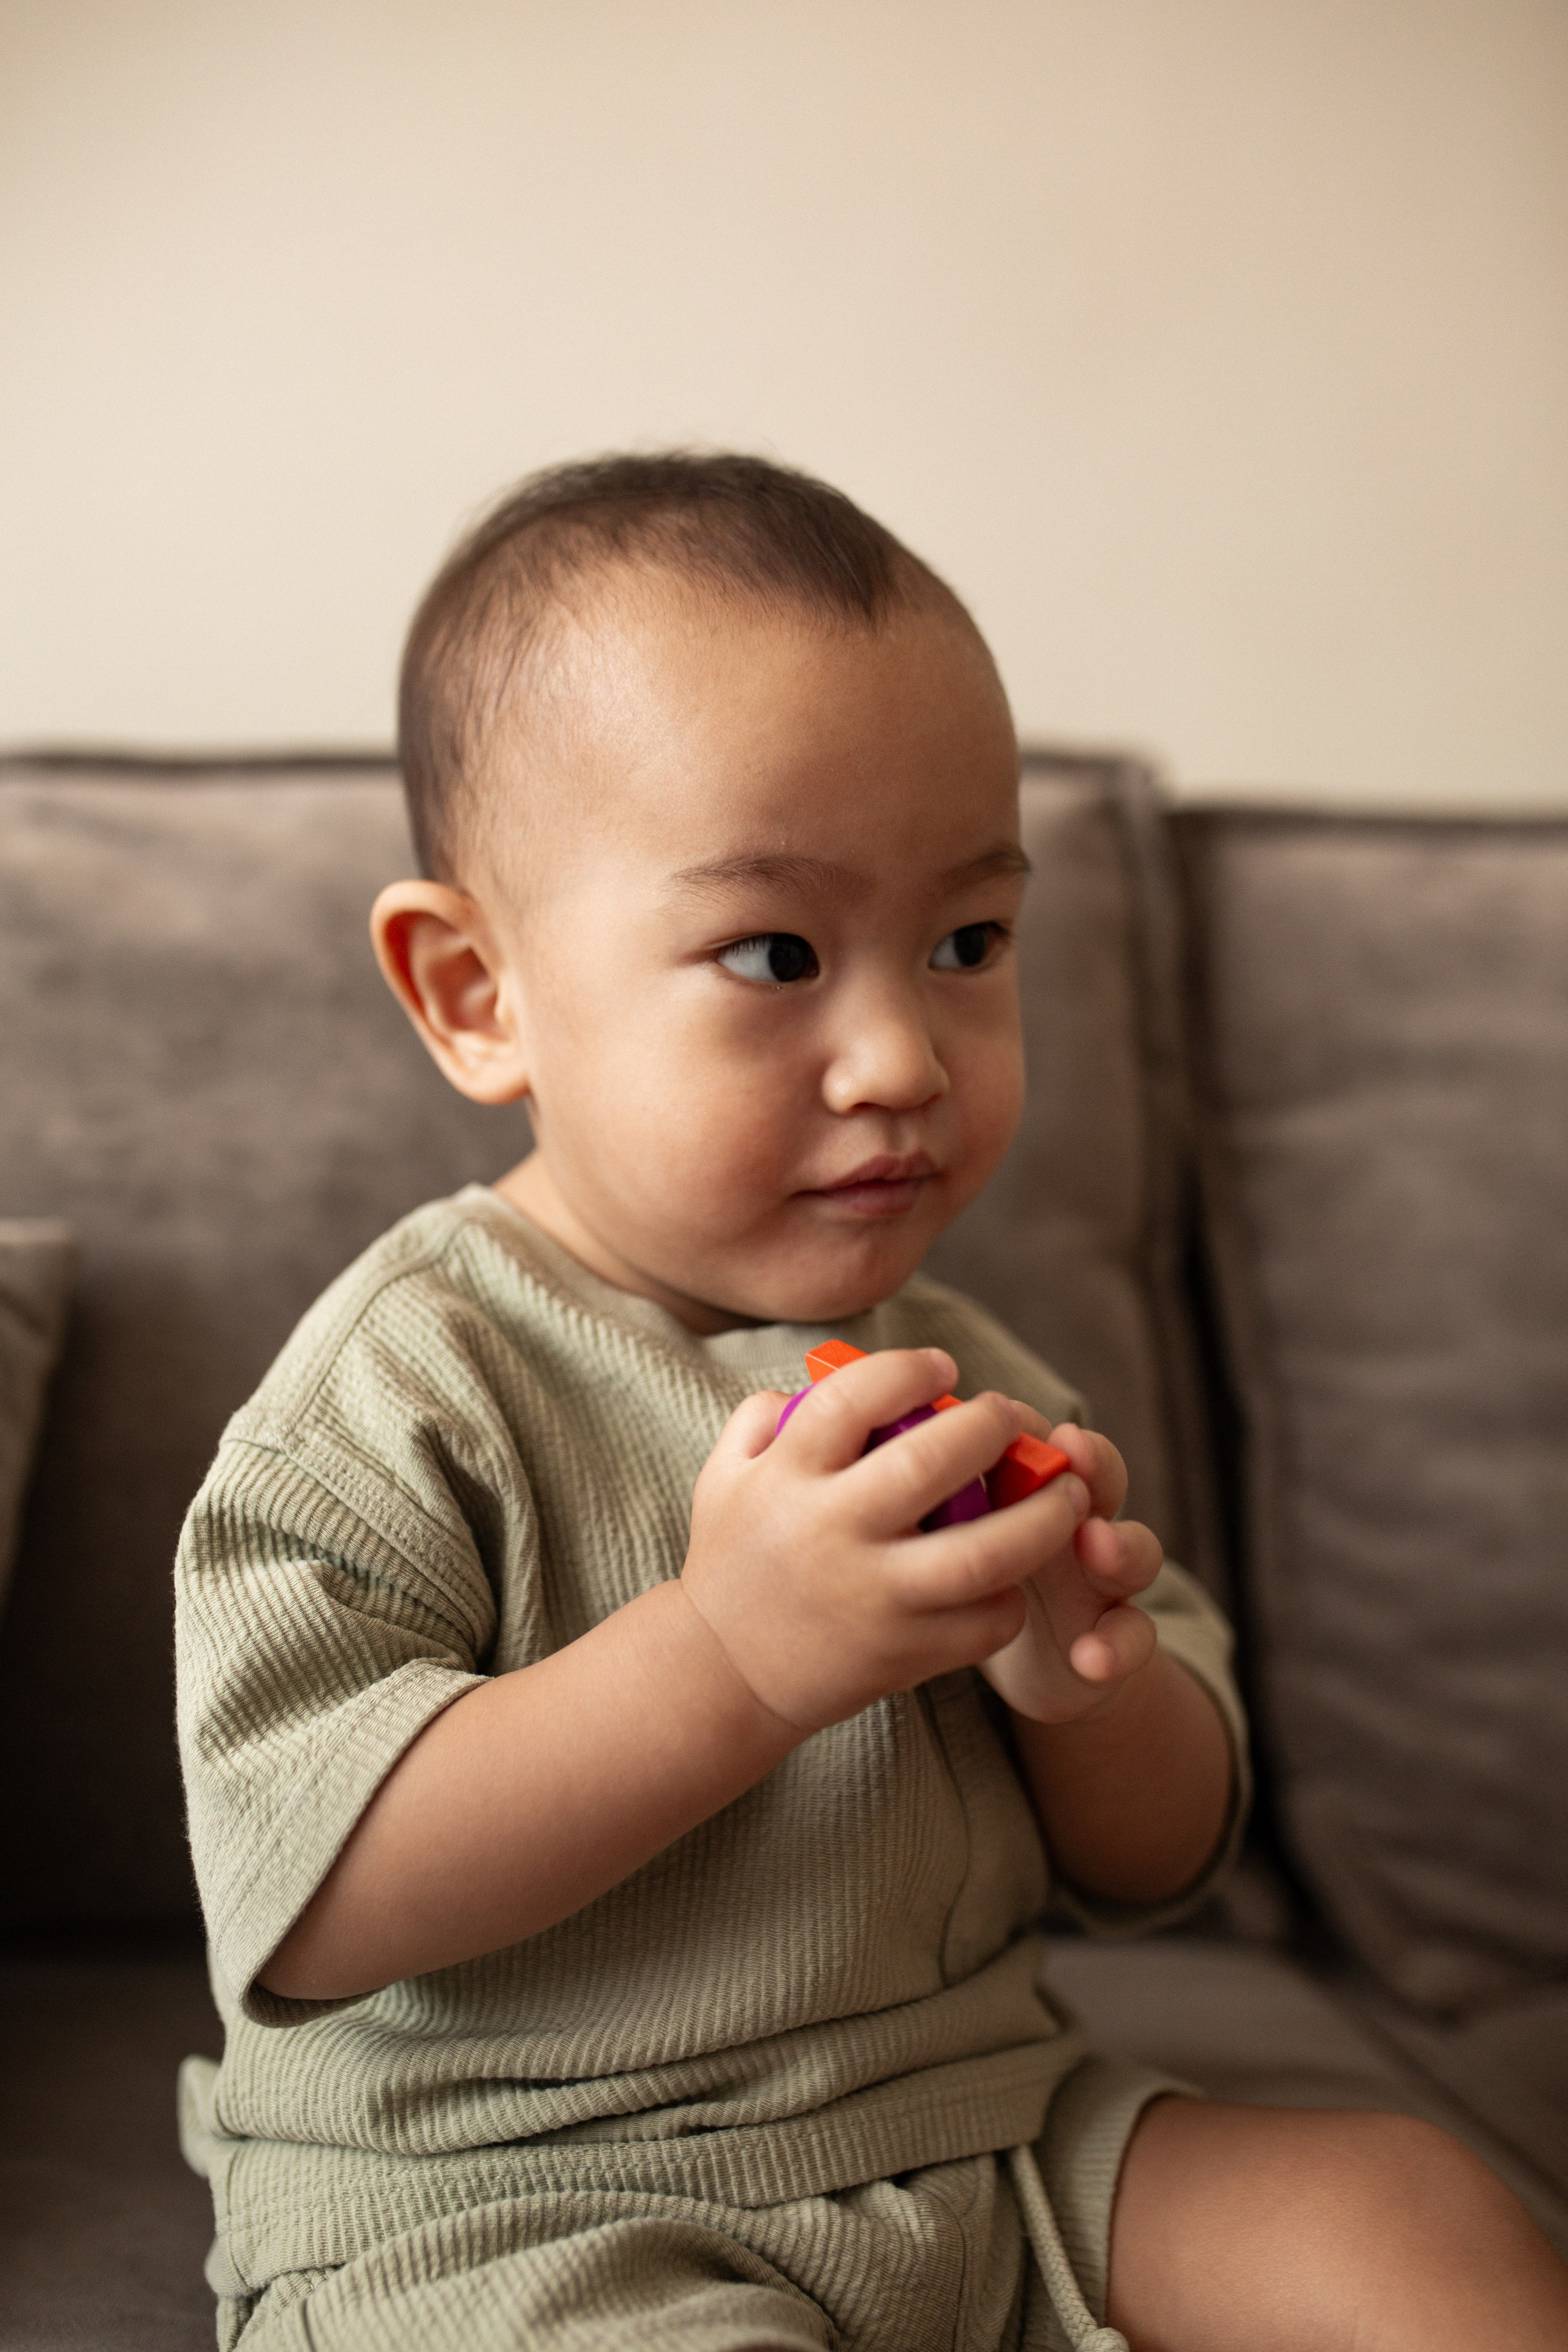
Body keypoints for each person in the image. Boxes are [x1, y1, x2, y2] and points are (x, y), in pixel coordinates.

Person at [175, 453, 1568, 2351]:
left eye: (969, 944)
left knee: (1409, 2217)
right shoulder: (407, 1386)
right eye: (775, 954)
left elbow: (1166, 1864)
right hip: (528, 2200)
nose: (904, 1056)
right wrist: (735, 1657)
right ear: (478, 990)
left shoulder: (971, 1377)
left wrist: (1090, 1692)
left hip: (983, 2132)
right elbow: (312, 1895)